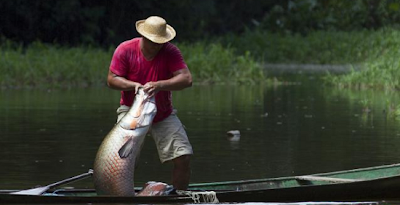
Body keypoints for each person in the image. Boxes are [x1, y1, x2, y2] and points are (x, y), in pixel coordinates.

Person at [106, 16, 193, 190]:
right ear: (144, 37)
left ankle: (180, 197)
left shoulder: (170, 52)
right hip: (131, 112)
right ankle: (118, 196)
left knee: (183, 156)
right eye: (153, 42)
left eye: (161, 42)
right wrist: (134, 86)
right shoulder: (125, 49)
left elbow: (187, 79)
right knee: (120, 160)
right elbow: (112, 79)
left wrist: (160, 84)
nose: (157, 45)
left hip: (162, 113)